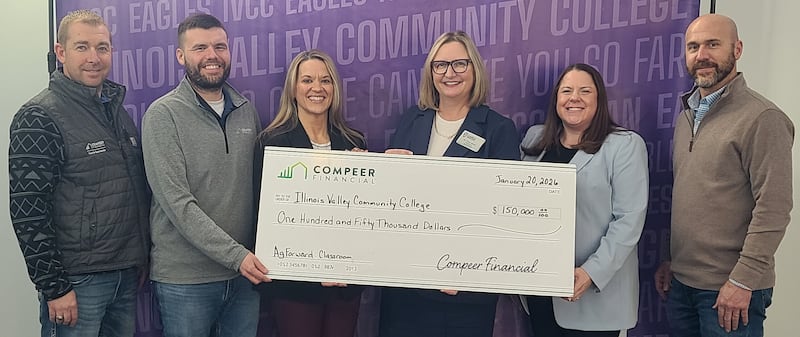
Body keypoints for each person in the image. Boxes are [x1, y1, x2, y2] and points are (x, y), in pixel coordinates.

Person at [8, 9, 150, 336]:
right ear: (61, 52)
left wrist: (138, 256)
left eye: (102, 47)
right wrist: (55, 287)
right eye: (82, 47)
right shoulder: (38, 117)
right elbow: (28, 211)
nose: (94, 57)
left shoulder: (117, 112)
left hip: (124, 274)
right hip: (77, 283)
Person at [654, 14, 794, 337]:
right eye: (693, 47)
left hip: (729, 292)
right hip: (682, 284)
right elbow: (687, 194)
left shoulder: (763, 118)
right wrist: (669, 259)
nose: (701, 55)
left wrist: (742, 280)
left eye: (712, 44)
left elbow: (774, 208)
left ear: (738, 49)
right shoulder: (685, 117)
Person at [379, 31, 520, 337]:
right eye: (440, 65)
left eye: (459, 64)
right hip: (407, 285)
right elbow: (392, 201)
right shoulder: (411, 121)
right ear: (431, 73)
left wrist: (467, 269)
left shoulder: (498, 129)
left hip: (463, 292)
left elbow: (505, 213)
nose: (450, 73)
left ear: (475, 69)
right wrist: (382, 171)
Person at [141, 13, 270, 337]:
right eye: (200, 47)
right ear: (181, 56)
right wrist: (236, 256)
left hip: (243, 278)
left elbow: (266, 188)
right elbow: (178, 205)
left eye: (220, 46)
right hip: (186, 281)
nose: (212, 56)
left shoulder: (246, 110)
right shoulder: (162, 115)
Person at [519, 63, 648, 336]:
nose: (574, 98)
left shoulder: (624, 145)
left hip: (594, 297)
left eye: (584, 91)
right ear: (556, 99)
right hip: (541, 292)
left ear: (598, 99)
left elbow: (628, 221)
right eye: (566, 90)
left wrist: (590, 272)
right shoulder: (534, 140)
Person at [253, 49, 366, 337]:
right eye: (307, 80)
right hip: (296, 287)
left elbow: (365, 215)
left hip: (345, 284)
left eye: (325, 80)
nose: (317, 88)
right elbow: (265, 218)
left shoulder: (354, 142)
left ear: (334, 89)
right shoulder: (272, 143)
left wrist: (373, 172)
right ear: (293, 88)